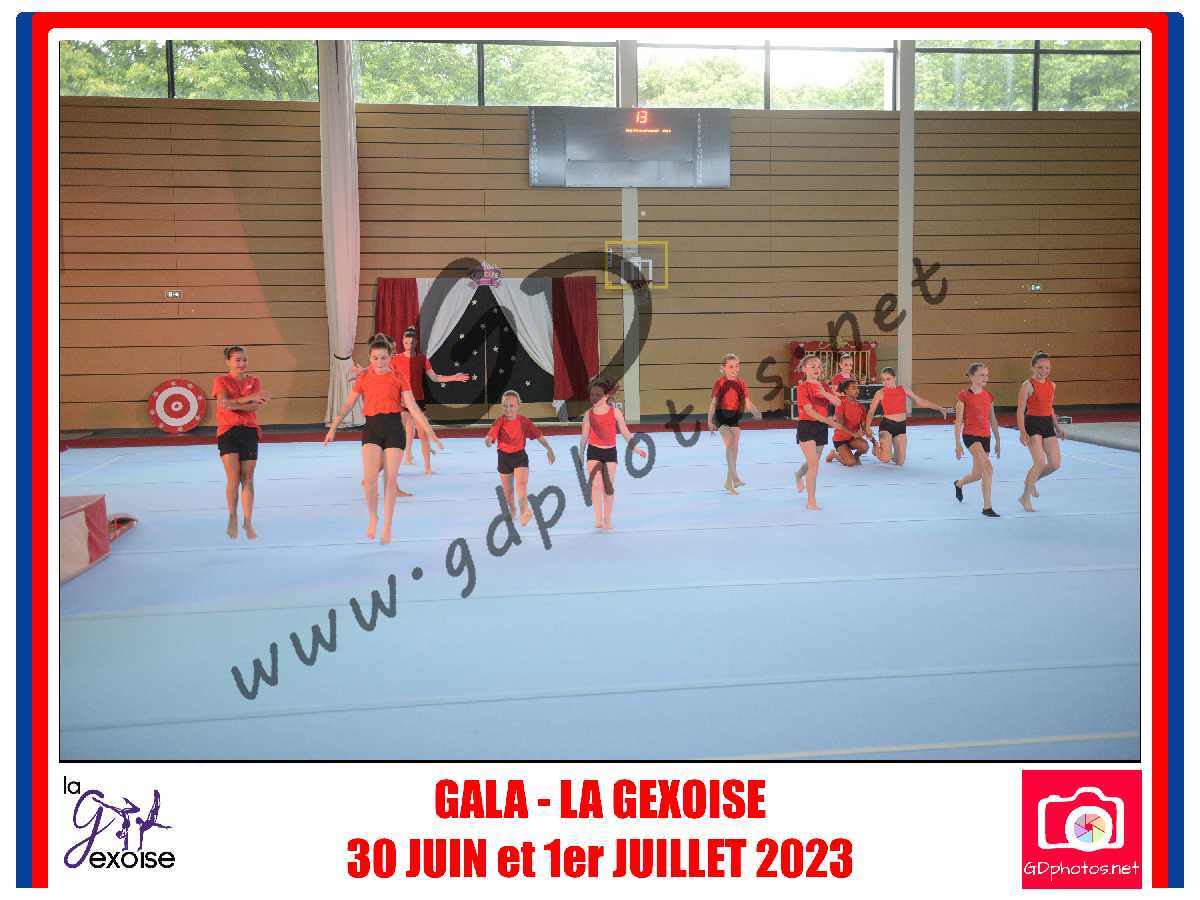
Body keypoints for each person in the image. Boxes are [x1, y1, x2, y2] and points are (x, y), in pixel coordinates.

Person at [324, 336, 438, 545]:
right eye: (375, 358)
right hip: (372, 429)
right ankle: (373, 517)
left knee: (390, 481)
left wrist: (429, 431)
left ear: (390, 357)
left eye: (383, 358)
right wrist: (333, 427)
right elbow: (348, 404)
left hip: (394, 429)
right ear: (370, 358)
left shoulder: (398, 377)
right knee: (369, 480)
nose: (379, 362)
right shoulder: (364, 378)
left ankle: (387, 525)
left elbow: (413, 407)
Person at [351, 329, 465, 473]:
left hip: (418, 400)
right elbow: (377, 366)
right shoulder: (395, 358)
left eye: (411, 343)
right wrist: (362, 372)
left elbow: (435, 377)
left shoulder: (422, 359)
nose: (409, 345)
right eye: (406, 343)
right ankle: (391, 466)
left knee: (423, 434)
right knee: (399, 435)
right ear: (403, 343)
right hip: (402, 402)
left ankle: (427, 467)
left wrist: (454, 377)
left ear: (416, 343)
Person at [213, 345, 270, 540]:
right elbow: (223, 404)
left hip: (249, 431)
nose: (241, 363)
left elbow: (254, 407)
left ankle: (248, 520)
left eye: (244, 360)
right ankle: (232, 516)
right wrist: (249, 398)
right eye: (237, 360)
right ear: (228, 362)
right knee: (233, 477)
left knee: (248, 478)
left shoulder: (254, 381)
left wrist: (237, 402)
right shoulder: (221, 380)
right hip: (228, 431)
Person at [579, 378, 647, 530]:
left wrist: (635, 448)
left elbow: (625, 431)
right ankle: (598, 518)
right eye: (592, 395)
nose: (594, 398)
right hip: (594, 451)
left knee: (608, 487)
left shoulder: (615, 412)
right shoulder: (589, 414)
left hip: (610, 452)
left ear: (606, 396)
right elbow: (584, 436)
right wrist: (581, 454)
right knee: (596, 485)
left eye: (598, 395)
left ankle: (607, 518)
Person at [485, 390, 556, 527]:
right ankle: (513, 509)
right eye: (505, 406)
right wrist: (488, 440)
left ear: (518, 406)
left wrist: (549, 449)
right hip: (503, 458)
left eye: (511, 406)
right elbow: (491, 434)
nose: (508, 409)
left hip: (519, 457)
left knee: (521, 486)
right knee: (508, 491)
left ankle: (525, 511)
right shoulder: (499, 421)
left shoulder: (524, 421)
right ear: (501, 406)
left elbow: (538, 435)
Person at [863, 366, 951, 466]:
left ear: (895, 378)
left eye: (888, 379)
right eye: (883, 379)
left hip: (901, 426)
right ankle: (876, 446)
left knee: (900, 462)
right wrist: (867, 427)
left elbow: (921, 401)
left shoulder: (903, 389)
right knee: (885, 459)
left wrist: (940, 408)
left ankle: (886, 452)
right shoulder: (880, 393)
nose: (885, 382)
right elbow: (871, 411)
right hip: (887, 426)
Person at [1016, 350, 1067, 512]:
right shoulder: (1028, 385)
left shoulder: (1052, 385)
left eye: (1047, 368)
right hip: (1033, 424)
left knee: (1055, 464)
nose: (1043, 370)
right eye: (1040, 367)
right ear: (1033, 367)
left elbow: (1050, 408)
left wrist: (1058, 427)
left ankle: (1030, 482)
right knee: (1039, 462)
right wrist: (1022, 431)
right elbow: (1020, 410)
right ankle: (1025, 497)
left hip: (1047, 424)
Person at [706, 353, 762, 494]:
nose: (734, 369)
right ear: (723, 368)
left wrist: (756, 412)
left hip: (734, 417)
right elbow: (713, 403)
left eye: (737, 366)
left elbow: (747, 402)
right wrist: (709, 420)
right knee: (730, 444)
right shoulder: (720, 383)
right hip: (721, 416)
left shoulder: (741, 383)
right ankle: (735, 477)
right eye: (731, 366)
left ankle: (728, 483)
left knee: (734, 449)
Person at [792, 354, 842, 510]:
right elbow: (809, 410)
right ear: (804, 369)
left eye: (819, 366)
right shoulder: (802, 387)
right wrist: (828, 421)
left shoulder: (824, 386)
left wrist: (825, 393)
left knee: (811, 463)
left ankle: (798, 474)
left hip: (821, 428)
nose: (816, 369)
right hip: (807, 426)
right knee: (814, 465)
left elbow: (838, 402)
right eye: (812, 366)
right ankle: (811, 500)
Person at [952, 362, 1001, 517]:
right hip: (970, 436)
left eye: (987, 375)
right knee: (988, 468)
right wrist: (958, 444)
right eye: (981, 375)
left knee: (977, 474)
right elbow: (958, 421)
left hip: (985, 436)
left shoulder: (989, 396)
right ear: (972, 377)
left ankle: (959, 483)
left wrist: (998, 440)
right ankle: (987, 507)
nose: (985, 378)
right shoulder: (964, 396)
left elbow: (993, 419)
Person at [829, 379, 875, 467]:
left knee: (865, 446)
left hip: (853, 439)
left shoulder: (861, 406)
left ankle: (855, 457)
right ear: (846, 390)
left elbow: (864, 426)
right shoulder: (841, 404)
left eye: (857, 388)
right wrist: (854, 434)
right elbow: (840, 425)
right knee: (850, 463)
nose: (857, 390)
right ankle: (834, 454)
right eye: (853, 388)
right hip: (840, 439)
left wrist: (874, 442)